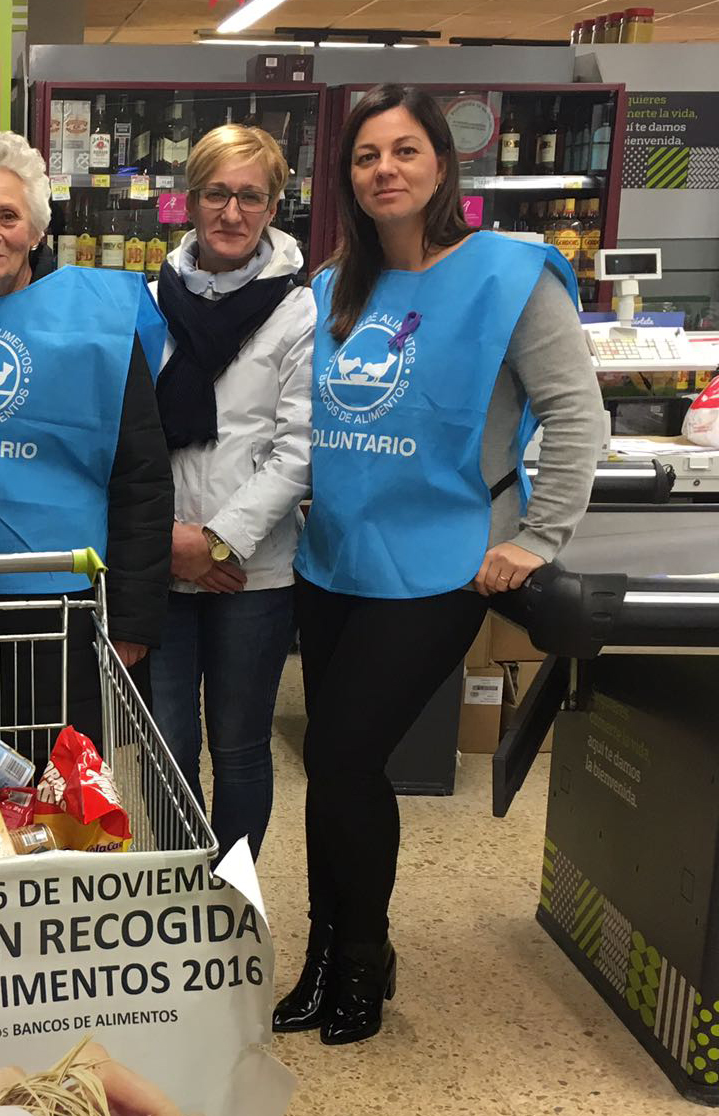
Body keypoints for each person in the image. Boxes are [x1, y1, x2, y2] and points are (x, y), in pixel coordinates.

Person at [274, 84, 600, 1045]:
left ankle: (365, 959)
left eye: (405, 151)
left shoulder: (510, 276)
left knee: (341, 757)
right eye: (367, 156)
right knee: (334, 773)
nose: (386, 170)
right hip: (334, 558)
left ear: (442, 165)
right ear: (348, 178)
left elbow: (579, 415)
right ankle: (323, 953)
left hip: (444, 566)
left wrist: (537, 540)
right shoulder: (335, 286)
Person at [0, 130, 171, 749]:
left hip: (62, 607)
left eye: (8, 215)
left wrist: (132, 620)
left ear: (37, 228)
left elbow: (142, 479)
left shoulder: (98, 322)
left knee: (55, 792)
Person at [145, 124, 315, 862]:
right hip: (163, 561)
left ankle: (232, 902)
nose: (233, 213)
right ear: (191, 200)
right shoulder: (149, 301)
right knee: (169, 744)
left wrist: (215, 543)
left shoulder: (300, 310)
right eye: (218, 193)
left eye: (251, 196)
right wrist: (170, 545)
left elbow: (299, 450)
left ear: (274, 203)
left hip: (254, 571)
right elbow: (129, 440)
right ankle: (184, 900)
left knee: (241, 748)